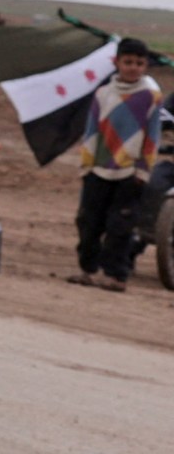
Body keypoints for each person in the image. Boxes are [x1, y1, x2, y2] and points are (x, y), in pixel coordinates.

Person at [69, 36, 161, 291]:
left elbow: (151, 137)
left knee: (120, 226)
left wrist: (143, 170)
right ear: (116, 62)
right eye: (128, 61)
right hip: (98, 170)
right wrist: (86, 165)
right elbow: (91, 132)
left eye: (139, 63)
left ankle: (115, 275)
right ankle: (87, 270)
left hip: (130, 172)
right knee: (88, 222)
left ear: (145, 66)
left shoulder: (150, 96)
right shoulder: (103, 94)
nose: (133, 67)